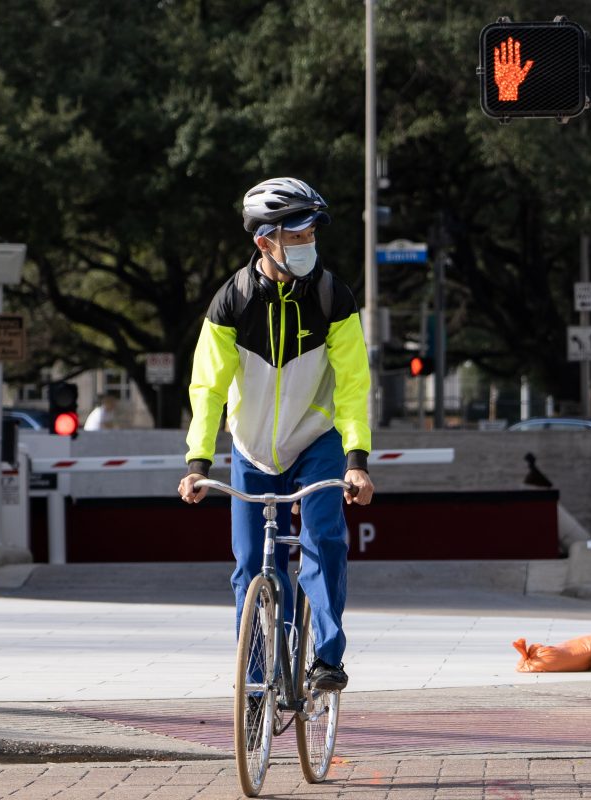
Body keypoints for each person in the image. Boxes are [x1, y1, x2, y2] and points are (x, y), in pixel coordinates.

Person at [178, 177, 374, 692]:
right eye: (298, 235)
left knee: (324, 538)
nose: (309, 244)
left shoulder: (334, 298)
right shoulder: (231, 304)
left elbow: (354, 384)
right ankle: (259, 685)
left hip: (317, 439)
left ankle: (327, 658)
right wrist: (198, 464)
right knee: (249, 566)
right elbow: (207, 388)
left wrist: (356, 459)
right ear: (265, 241)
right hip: (251, 449)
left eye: (312, 234)